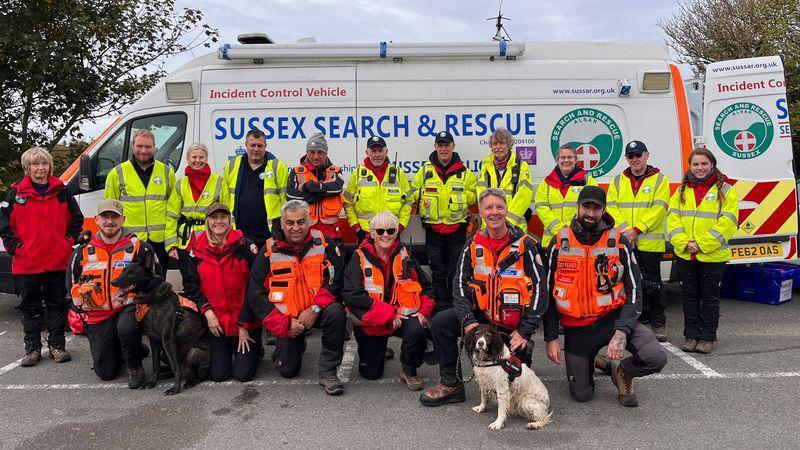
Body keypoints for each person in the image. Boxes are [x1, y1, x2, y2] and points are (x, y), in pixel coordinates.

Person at [420, 188, 547, 407]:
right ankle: (452, 384)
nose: (494, 212)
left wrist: (525, 331)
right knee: (441, 322)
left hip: (512, 325)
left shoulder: (527, 246)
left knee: (516, 387)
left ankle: (520, 352)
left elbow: (540, 290)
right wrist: (469, 321)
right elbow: (458, 286)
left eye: (499, 207)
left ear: (507, 210)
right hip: (481, 318)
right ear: (480, 211)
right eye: (488, 207)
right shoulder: (472, 244)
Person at [544, 186, 667, 407]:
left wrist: (622, 331)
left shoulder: (619, 241)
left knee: (655, 356)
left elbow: (634, 290)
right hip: (578, 328)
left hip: (613, 319)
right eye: (586, 207)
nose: (590, 213)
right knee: (582, 395)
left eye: (597, 208)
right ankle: (598, 361)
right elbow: (547, 294)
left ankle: (623, 372)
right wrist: (551, 337)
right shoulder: (559, 242)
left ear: (604, 210)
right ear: (577, 207)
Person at [247, 200, 347, 395]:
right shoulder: (268, 250)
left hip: (317, 311)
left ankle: (328, 371)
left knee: (336, 313)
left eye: (301, 222)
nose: (296, 228)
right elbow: (255, 293)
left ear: (308, 222)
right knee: (287, 370)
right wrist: (284, 324)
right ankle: (294, 344)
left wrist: (315, 309)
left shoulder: (324, 242)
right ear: (281, 224)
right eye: (290, 223)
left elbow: (336, 280)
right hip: (287, 319)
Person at [0, 147, 83, 366]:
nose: (40, 168)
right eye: (35, 164)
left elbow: (77, 218)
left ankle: (57, 346)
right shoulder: (16, 194)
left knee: (57, 305)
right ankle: (32, 349)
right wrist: (16, 248)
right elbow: (4, 225)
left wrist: (67, 243)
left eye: (44, 164)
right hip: (27, 263)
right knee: (30, 307)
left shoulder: (62, 191)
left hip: (57, 261)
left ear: (50, 166)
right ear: (28, 168)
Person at [67, 199, 157, 387]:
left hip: (129, 307)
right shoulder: (82, 250)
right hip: (98, 314)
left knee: (126, 327)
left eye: (114, 217)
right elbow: (72, 283)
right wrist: (80, 309)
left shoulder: (140, 247)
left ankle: (134, 365)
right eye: (105, 217)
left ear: (123, 219)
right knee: (106, 372)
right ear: (97, 220)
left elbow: (156, 279)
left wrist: (146, 304)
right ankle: (132, 348)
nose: (110, 221)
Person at [342, 211, 435, 390]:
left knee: (417, 330)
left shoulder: (404, 255)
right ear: (371, 233)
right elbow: (352, 295)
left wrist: (423, 312)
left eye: (391, 231)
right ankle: (380, 348)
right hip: (373, 320)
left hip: (402, 318)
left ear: (396, 233)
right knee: (371, 375)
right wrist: (389, 314)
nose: (386, 235)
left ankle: (408, 369)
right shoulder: (358, 257)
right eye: (381, 231)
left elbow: (427, 287)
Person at [668, 148, 738, 354]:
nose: (699, 168)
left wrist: (700, 244)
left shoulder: (725, 190)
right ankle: (690, 335)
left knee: (709, 297)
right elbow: (672, 219)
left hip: (712, 255)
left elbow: (728, 222)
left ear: (712, 165)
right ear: (690, 166)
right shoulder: (681, 190)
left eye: (704, 164)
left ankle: (707, 337)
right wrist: (684, 242)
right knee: (689, 296)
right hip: (685, 253)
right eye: (695, 164)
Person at [183, 203, 261, 382]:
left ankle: (256, 348)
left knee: (243, 375)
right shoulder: (197, 250)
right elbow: (192, 287)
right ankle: (230, 347)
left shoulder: (244, 246)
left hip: (245, 321)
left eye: (223, 217)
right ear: (207, 222)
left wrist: (244, 325)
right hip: (218, 323)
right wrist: (207, 311)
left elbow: (256, 288)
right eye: (214, 218)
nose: (219, 221)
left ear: (230, 220)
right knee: (219, 375)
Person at [606, 140, 670, 341]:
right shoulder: (617, 181)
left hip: (649, 241)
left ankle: (658, 321)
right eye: (630, 156)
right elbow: (611, 207)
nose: (635, 159)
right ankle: (637, 320)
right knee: (628, 283)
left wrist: (637, 230)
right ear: (627, 158)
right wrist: (627, 232)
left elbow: (660, 208)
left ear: (647, 155)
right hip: (625, 240)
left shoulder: (660, 180)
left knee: (653, 283)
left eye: (638, 155)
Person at [410, 131, 477, 312]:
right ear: (435, 147)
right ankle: (440, 306)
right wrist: (419, 195)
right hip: (433, 229)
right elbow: (413, 192)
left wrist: (460, 195)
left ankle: (457, 305)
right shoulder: (425, 171)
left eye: (447, 145)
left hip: (457, 228)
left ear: (453, 147)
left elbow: (474, 196)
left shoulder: (465, 172)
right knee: (437, 270)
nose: (444, 149)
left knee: (456, 269)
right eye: (440, 145)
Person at [104, 129, 177, 276]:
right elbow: (110, 211)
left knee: (158, 285)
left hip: (159, 241)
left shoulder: (166, 172)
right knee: (130, 286)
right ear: (133, 146)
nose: (144, 150)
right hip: (130, 241)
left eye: (148, 147)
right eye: (140, 146)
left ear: (154, 147)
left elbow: (174, 208)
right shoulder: (117, 173)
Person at [165, 143, 231, 279]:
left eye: (201, 157)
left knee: (211, 282)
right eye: (194, 157)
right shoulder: (181, 184)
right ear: (188, 159)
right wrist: (171, 245)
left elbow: (230, 215)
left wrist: (229, 241)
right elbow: (171, 216)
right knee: (189, 283)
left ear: (206, 159)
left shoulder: (219, 182)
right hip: (186, 241)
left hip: (212, 240)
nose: (197, 160)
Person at [222, 128, 289, 250]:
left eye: (260, 145)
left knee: (265, 268)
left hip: (268, 234)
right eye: (252, 145)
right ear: (246, 145)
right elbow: (224, 199)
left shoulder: (277, 166)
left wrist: (282, 228)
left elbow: (285, 200)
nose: (256, 149)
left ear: (265, 146)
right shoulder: (232, 165)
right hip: (239, 233)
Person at [344, 136, 413, 244]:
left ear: (386, 152)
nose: (377, 155)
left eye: (380, 150)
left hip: (391, 234)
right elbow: (347, 202)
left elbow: (409, 201)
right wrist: (356, 228)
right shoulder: (357, 174)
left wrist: (400, 226)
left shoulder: (398, 173)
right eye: (373, 151)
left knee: (394, 261)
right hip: (366, 234)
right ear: (367, 152)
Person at [535, 143, 598, 252]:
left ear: (576, 159)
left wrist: (571, 228)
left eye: (570, 157)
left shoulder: (588, 181)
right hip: (551, 241)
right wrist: (558, 229)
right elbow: (541, 207)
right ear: (557, 160)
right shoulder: (547, 183)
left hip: (579, 239)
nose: (566, 160)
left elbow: (593, 207)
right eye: (562, 157)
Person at [286, 133, 344, 243]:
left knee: (335, 260)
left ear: (326, 153)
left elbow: (336, 189)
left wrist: (309, 186)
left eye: (320, 152)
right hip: (306, 232)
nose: (316, 156)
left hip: (332, 232)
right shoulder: (297, 171)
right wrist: (322, 194)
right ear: (306, 152)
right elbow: (291, 195)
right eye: (312, 152)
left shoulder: (335, 170)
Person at [475, 128, 533, 230]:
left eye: (502, 143)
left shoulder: (521, 166)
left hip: (514, 227)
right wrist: (490, 220)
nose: (498, 147)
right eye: (494, 144)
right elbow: (481, 196)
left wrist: (507, 222)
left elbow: (524, 197)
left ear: (508, 145)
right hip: (490, 226)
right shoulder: (485, 166)